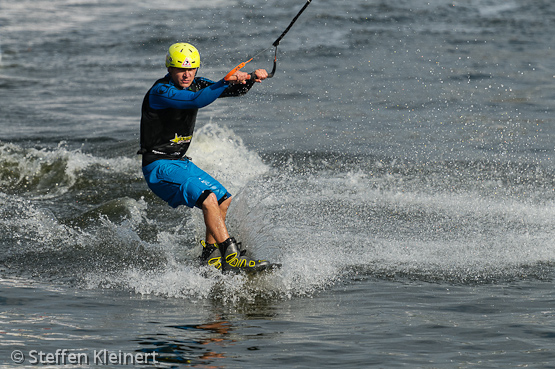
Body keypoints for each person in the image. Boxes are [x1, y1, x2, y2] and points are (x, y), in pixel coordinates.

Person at [139, 42, 271, 272]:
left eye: (191, 69)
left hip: (179, 162)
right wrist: (224, 81)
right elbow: (196, 100)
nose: (187, 74)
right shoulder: (160, 91)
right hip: (158, 165)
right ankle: (231, 259)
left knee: (223, 199)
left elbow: (230, 90)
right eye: (180, 69)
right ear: (169, 68)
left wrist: (248, 79)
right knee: (208, 199)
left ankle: (209, 256)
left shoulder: (196, 83)